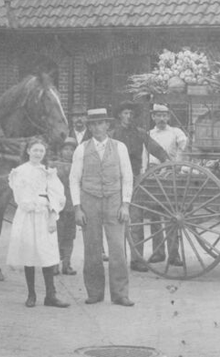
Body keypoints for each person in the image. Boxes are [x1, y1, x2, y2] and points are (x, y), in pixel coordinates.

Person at [70, 108, 135, 306]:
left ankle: (120, 294)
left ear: (108, 125)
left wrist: (125, 205)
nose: (97, 128)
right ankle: (94, 293)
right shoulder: (81, 149)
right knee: (91, 249)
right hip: (89, 201)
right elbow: (74, 180)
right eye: (93, 124)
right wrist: (77, 208)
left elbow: (128, 177)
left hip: (114, 202)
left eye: (101, 123)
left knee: (117, 249)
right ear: (89, 127)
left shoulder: (120, 147)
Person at [6, 138, 70, 308]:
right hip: (27, 215)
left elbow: (57, 194)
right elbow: (20, 196)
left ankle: (51, 295)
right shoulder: (19, 171)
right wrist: (34, 205)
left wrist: (52, 214)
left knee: (47, 254)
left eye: (41, 151)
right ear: (28, 151)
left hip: (44, 216)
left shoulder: (48, 172)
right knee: (29, 254)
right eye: (35, 150)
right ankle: (31, 295)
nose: (38, 154)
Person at [112, 102, 168, 272]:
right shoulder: (113, 134)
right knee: (114, 220)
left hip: (135, 179)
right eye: (125, 113)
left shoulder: (140, 133)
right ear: (120, 115)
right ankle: (118, 259)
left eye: (130, 113)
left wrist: (168, 161)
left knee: (135, 219)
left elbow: (157, 149)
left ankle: (136, 259)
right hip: (115, 179)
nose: (128, 116)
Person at [146, 104, 187, 266]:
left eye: (164, 115)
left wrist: (177, 162)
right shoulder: (149, 134)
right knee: (154, 215)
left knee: (172, 215)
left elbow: (185, 147)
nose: (162, 119)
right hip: (153, 176)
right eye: (158, 115)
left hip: (171, 176)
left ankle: (174, 254)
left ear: (169, 117)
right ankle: (158, 252)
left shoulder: (176, 132)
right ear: (153, 117)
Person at [53, 138, 78, 276]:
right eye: (66, 149)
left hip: (72, 207)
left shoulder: (79, 165)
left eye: (71, 149)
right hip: (58, 208)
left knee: (70, 236)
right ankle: (54, 264)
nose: (68, 152)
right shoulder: (53, 165)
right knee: (57, 236)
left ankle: (67, 264)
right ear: (61, 151)